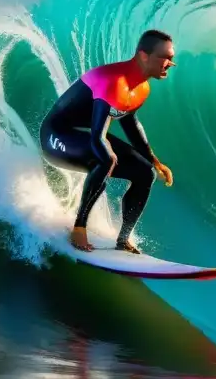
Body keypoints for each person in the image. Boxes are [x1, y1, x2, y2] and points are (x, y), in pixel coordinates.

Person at [39, 29, 176, 253]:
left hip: (82, 134)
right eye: (166, 57)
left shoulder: (142, 88)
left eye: (172, 58)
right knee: (105, 157)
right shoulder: (114, 81)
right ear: (144, 56)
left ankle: (123, 240)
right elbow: (97, 137)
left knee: (145, 172)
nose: (171, 63)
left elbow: (130, 123)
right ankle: (79, 228)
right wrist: (108, 156)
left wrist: (155, 161)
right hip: (56, 136)